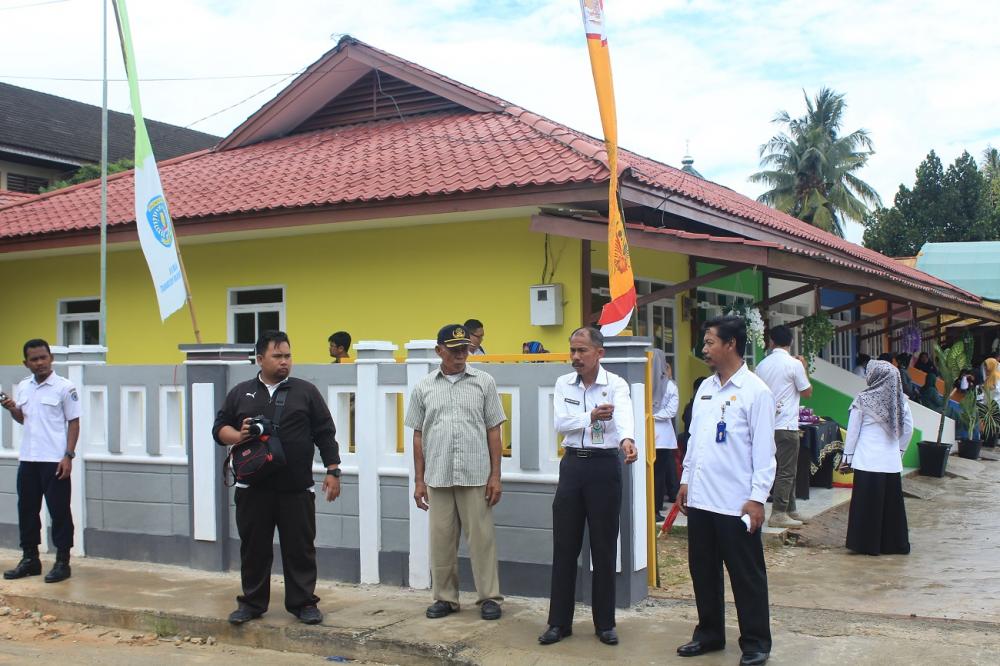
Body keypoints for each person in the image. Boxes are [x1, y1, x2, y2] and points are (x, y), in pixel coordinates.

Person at [213, 330, 342, 626]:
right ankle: (252, 603)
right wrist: (239, 434)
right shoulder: (241, 393)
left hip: (296, 487)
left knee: (300, 548)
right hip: (252, 488)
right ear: (260, 359)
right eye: (277, 356)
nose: (284, 362)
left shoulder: (305, 392)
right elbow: (219, 430)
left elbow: (325, 433)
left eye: (288, 356)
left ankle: (304, 603)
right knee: (254, 548)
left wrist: (333, 470)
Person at [675, 316, 775, 666]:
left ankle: (756, 643)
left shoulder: (756, 392)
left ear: (731, 345)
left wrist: (758, 497)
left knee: (746, 575)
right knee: (703, 570)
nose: (704, 349)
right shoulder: (705, 388)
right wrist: (686, 480)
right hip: (701, 498)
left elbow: (765, 452)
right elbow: (694, 441)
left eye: (710, 343)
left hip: (736, 504)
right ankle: (710, 633)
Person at [539, 327, 638, 647]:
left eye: (582, 351)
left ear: (599, 353)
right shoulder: (563, 383)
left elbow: (624, 417)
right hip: (573, 466)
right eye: (572, 351)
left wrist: (626, 440)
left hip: (604, 466)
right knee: (565, 546)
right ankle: (558, 623)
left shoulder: (616, 385)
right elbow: (560, 423)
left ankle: (605, 623)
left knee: (604, 547)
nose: (576, 357)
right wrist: (590, 416)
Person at [404, 323, 506, 621]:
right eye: (455, 349)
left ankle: (489, 598)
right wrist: (419, 481)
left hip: (476, 475)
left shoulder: (484, 382)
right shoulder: (424, 387)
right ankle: (445, 599)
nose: (462, 354)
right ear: (439, 351)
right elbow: (418, 435)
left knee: (482, 540)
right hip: (438, 476)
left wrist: (496, 475)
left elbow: (494, 431)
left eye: (465, 348)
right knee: (441, 541)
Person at [1, 339, 80, 584]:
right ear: (26, 363)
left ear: (51, 358)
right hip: (29, 459)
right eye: (34, 359)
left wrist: (68, 456)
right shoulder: (24, 387)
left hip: (54, 461)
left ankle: (62, 562)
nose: (40, 363)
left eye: (43, 357)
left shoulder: (65, 387)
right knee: (27, 511)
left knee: (59, 512)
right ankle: (30, 559)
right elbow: (24, 420)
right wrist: (12, 409)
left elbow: (74, 422)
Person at [840, 360, 914, 556]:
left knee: (866, 504)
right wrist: (899, 451)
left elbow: (853, 431)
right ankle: (893, 544)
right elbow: (908, 428)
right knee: (891, 505)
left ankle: (866, 545)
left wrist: (847, 457)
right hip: (890, 461)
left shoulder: (863, 399)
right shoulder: (900, 400)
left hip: (867, 459)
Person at [754, 324, 812, 529]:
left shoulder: (762, 365)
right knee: (787, 470)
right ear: (791, 342)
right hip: (786, 424)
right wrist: (803, 367)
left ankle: (790, 509)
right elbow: (806, 392)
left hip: (766, 424)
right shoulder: (793, 364)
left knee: (780, 468)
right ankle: (779, 512)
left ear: (771, 342)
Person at [652, 351, 679, 522]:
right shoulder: (670, 385)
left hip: (650, 434)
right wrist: (655, 415)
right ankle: (654, 509)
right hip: (662, 436)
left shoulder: (644, 383)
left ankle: (654, 507)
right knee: (658, 475)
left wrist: (649, 415)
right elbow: (671, 411)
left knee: (656, 475)